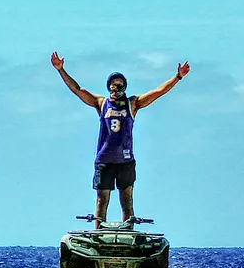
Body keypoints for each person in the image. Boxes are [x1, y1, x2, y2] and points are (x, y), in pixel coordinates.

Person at [50, 51, 190, 225]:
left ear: (125, 87)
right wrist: (60, 70)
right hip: (104, 160)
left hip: (125, 161)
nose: (115, 88)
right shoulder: (101, 103)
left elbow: (158, 92)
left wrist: (178, 77)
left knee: (127, 201)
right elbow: (78, 90)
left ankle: (128, 233)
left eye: (119, 85)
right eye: (113, 85)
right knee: (102, 200)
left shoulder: (133, 103)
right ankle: (99, 233)